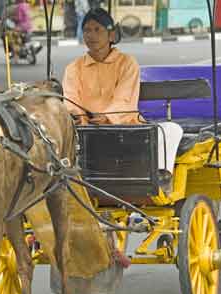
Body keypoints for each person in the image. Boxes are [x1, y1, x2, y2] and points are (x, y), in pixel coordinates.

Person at [62, 8, 183, 187]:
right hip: (85, 133)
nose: (91, 35)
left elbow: (124, 98)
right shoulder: (73, 67)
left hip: (126, 130)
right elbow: (70, 99)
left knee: (171, 130)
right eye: (87, 30)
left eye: (97, 30)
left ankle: (161, 176)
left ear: (111, 35)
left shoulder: (127, 63)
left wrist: (108, 117)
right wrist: (78, 117)